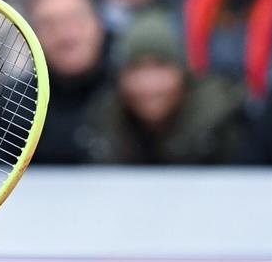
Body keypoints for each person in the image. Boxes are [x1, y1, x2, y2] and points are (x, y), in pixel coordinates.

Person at [85, 12, 247, 165]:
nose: (148, 84)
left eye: (160, 66)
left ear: (183, 73)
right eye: (136, 68)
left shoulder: (222, 123)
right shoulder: (105, 123)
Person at [23, 0, 111, 164]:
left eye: (75, 19)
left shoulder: (136, 92)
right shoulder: (14, 105)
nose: (65, 36)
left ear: (99, 22)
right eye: (48, 25)